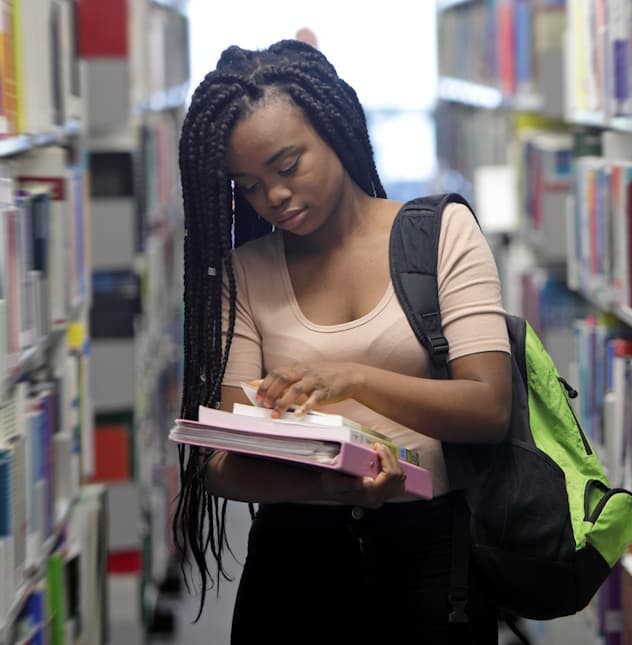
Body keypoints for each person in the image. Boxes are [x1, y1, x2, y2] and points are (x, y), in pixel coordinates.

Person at [173, 39, 511, 644]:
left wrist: (353, 379)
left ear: (334, 129)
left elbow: (488, 407)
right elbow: (221, 463)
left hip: (435, 558)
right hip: (293, 563)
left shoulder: (441, 234)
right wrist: (323, 485)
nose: (272, 197)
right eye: (248, 185)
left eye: (287, 166)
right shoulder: (243, 273)